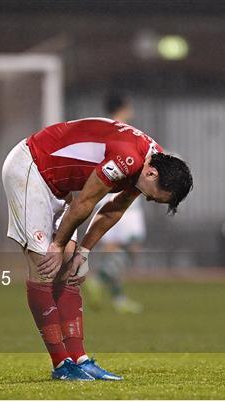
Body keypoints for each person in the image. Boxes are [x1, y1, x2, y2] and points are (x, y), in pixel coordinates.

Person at [2, 117, 192, 380]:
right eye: (151, 196)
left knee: (70, 271)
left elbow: (114, 209)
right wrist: (57, 244)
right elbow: (85, 202)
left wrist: (83, 252)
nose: (146, 198)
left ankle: (79, 360)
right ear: (152, 174)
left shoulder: (153, 160)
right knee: (44, 268)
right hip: (31, 169)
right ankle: (61, 365)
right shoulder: (128, 159)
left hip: (59, 184)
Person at [85, 93, 145, 314]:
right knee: (132, 247)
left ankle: (117, 298)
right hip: (123, 198)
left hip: (103, 195)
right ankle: (99, 282)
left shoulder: (102, 130)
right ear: (125, 106)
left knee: (114, 251)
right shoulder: (126, 132)